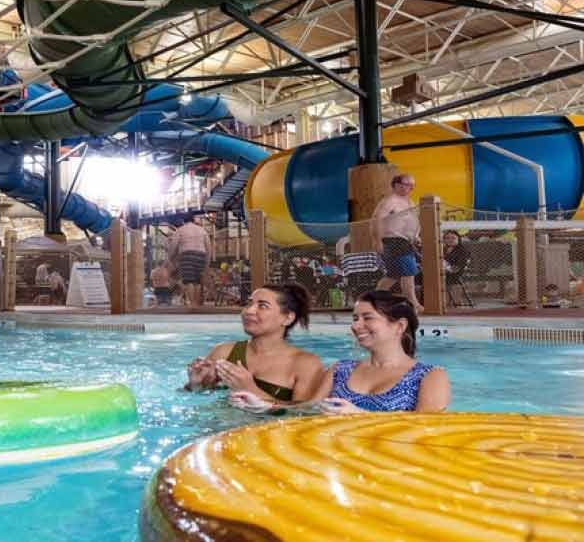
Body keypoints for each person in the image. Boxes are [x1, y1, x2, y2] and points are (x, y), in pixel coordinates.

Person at [230, 290, 450, 414]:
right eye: (355, 318)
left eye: (368, 318)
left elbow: (426, 431)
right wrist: (264, 406)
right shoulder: (340, 370)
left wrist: (362, 417)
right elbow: (307, 411)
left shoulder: (429, 376)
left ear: (399, 326)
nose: (356, 325)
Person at [184, 284, 324, 405]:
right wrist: (196, 385)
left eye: (262, 306)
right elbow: (197, 400)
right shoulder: (223, 352)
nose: (249, 311)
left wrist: (251, 390)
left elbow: (305, 414)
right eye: (249, 303)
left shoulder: (305, 364)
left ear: (288, 318)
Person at [372, 173, 423, 313]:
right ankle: (414, 304)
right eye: (407, 184)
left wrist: (415, 236)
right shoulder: (390, 201)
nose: (411, 188)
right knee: (409, 272)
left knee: (393, 275)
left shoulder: (410, 202)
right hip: (393, 241)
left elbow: (410, 222)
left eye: (412, 185)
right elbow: (377, 220)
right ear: (396, 184)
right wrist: (377, 241)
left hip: (406, 241)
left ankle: (375, 300)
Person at [169, 215, 212, 306]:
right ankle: (197, 303)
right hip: (201, 254)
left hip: (186, 255)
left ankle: (192, 303)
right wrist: (207, 262)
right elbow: (208, 246)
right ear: (193, 220)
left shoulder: (180, 230)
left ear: (183, 221)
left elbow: (173, 245)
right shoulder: (202, 230)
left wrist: (170, 258)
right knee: (198, 280)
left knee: (189, 280)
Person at [442, 231, 470, 305]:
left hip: (457, 272)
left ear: (458, 239)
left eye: (453, 238)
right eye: (447, 238)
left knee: (449, 278)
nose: (450, 240)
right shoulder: (442, 249)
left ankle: (455, 301)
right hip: (443, 271)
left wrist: (448, 268)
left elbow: (460, 266)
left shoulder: (463, 250)